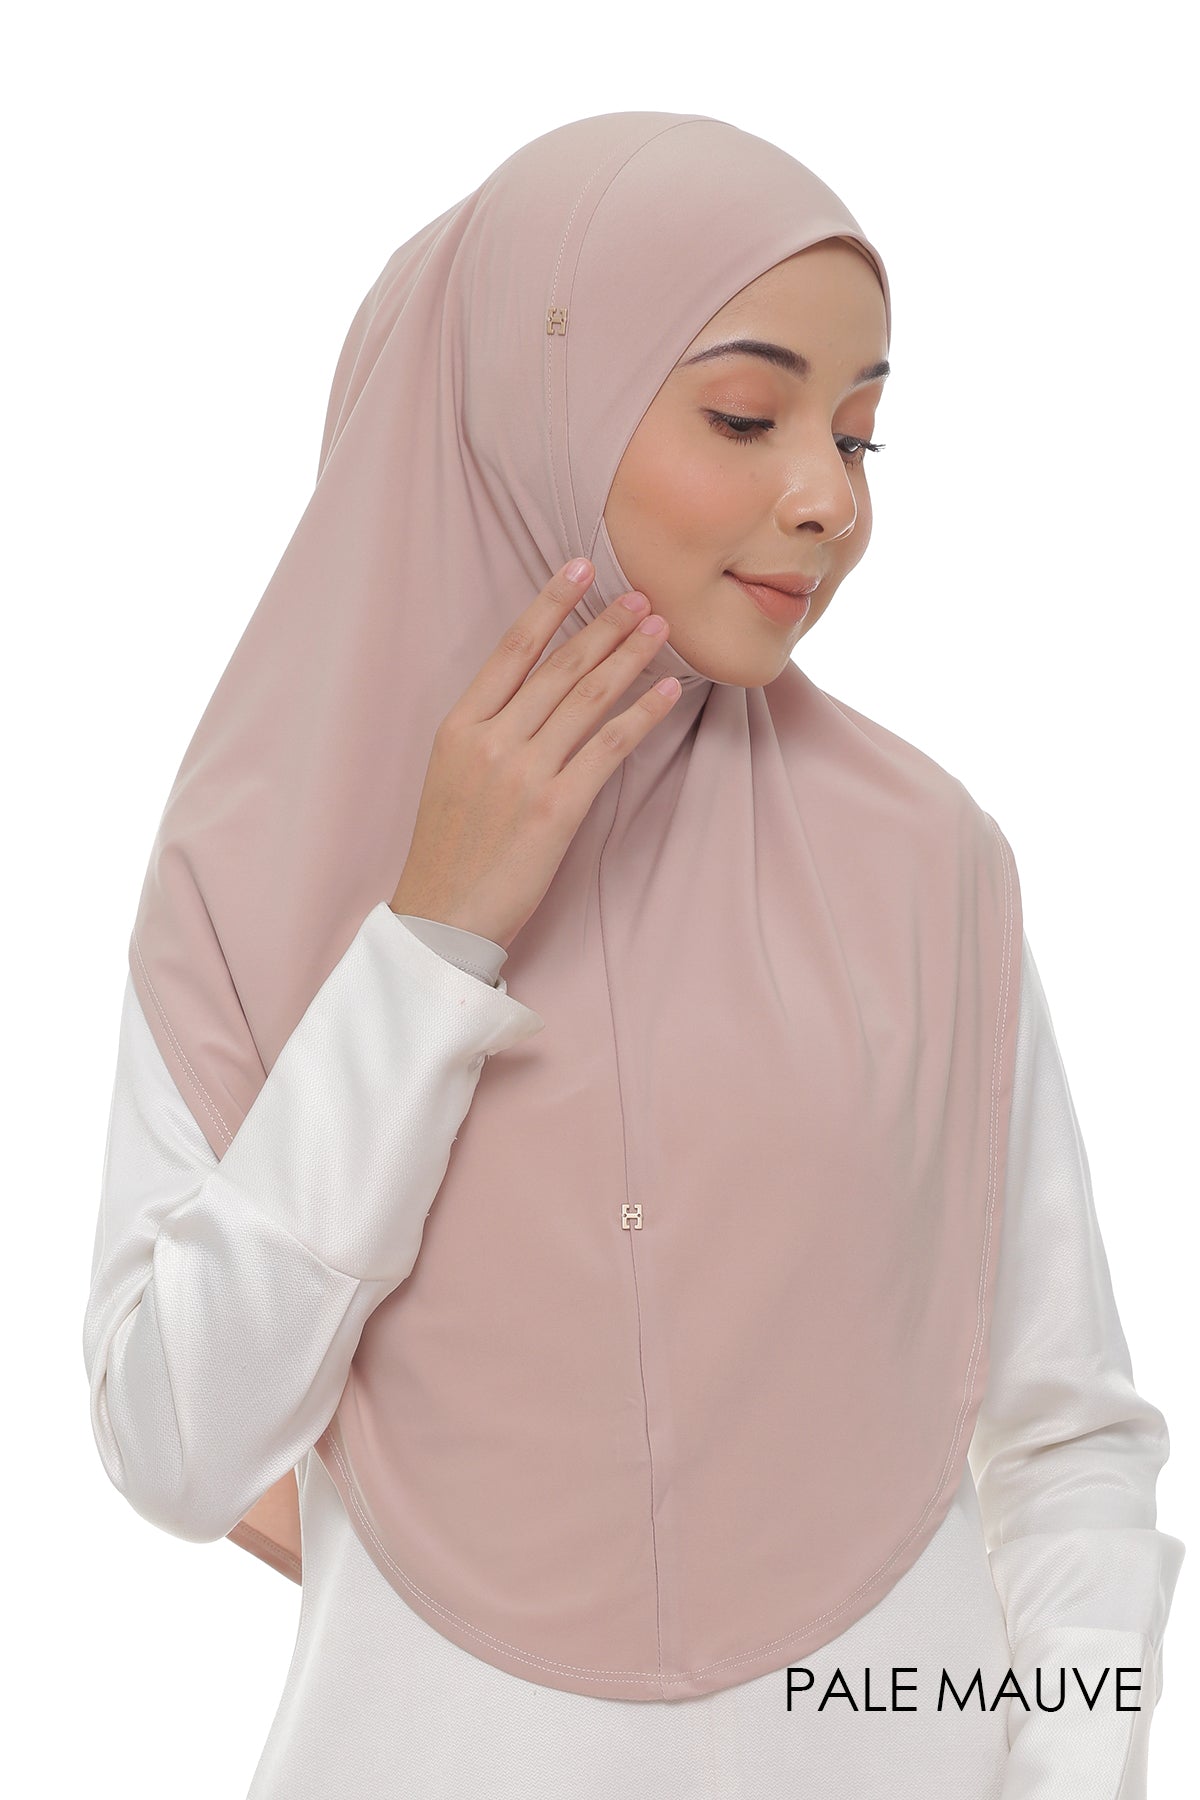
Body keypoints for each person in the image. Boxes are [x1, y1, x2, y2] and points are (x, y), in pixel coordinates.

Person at [82, 111, 1184, 1798]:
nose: (829, 501)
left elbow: (1069, 1440)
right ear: (535, 408)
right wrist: (431, 940)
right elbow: (179, 1447)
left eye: (861, 434)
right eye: (747, 416)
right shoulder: (257, 869)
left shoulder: (926, 863)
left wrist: (1075, 1777)